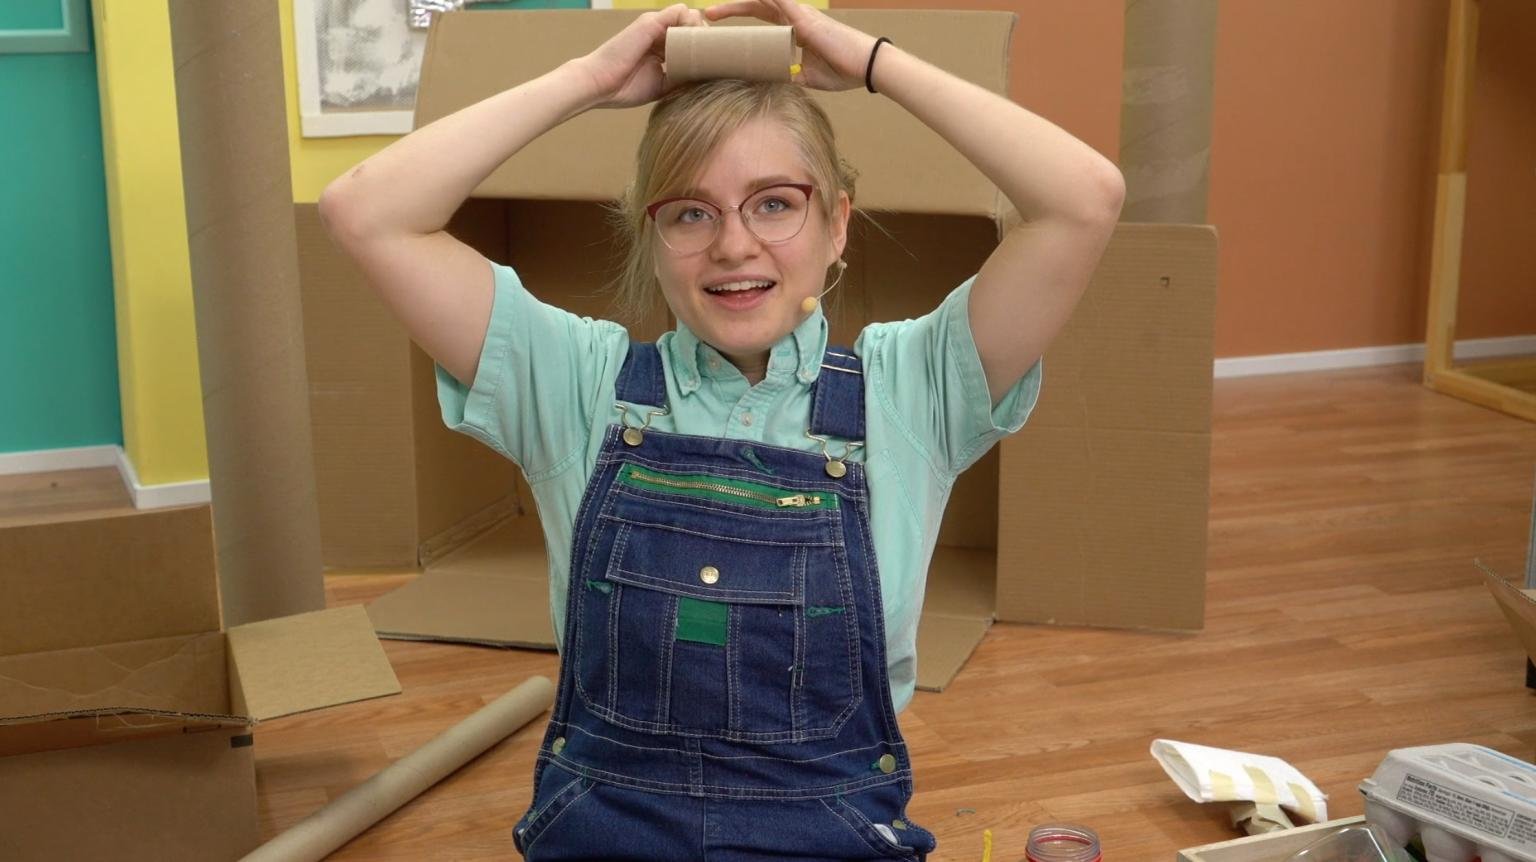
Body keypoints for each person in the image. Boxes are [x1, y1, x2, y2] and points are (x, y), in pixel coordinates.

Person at [319, 1, 1123, 858]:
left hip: (830, 837)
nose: (734, 245)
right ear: (652, 235)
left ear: (837, 223)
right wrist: (588, 80)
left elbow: (1084, 198)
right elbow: (367, 211)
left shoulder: (912, 387)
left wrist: (872, 62)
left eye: (773, 203)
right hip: (608, 837)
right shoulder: (574, 383)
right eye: (691, 213)